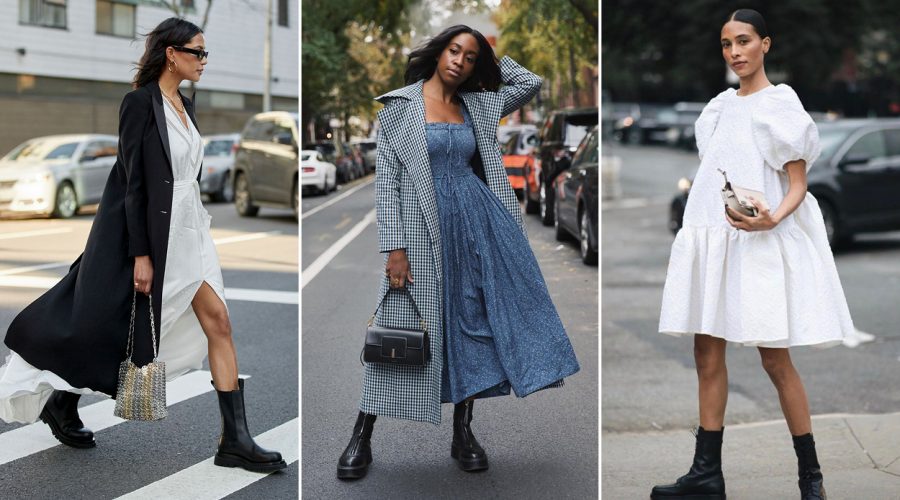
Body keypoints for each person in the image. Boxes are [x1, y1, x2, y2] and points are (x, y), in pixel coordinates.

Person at [0, 17, 285, 473]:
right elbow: (133, 184)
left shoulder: (186, 107)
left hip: (193, 231)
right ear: (171, 54)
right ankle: (59, 399)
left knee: (220, 323)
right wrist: (141, 253)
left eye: (206, 52)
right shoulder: (138, 105)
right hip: (158, 236)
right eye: (198, 52)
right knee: (104, 326)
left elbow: (186, 177)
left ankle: (235, 440)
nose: (204, 60)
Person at [336, 24, 581, 480]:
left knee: (474, 323)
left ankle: (463, 430)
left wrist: (492, 59)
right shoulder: (398, 109)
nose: (460, 62)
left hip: (478, 225)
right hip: (422, 227)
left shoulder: (479, 104)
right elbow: (388, 183)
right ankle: (361, 433)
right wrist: (393, 248)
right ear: (438, 51)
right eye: (455, 50)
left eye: (470, 57)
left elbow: (529, 83)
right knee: (402, 327)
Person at [653, 9, 853, 500]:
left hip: (756, 242)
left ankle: (811, 477)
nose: (735, 52)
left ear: (766, 44)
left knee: (774, 360)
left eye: (744, 41)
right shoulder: (719, 108)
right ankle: (706, 475)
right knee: (705, 353)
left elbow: (798, 186)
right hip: (711, 237)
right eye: (726, 44)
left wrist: (772, 218)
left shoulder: (780, 105)